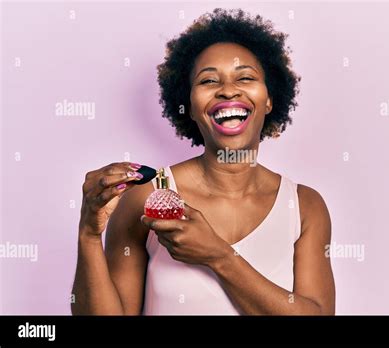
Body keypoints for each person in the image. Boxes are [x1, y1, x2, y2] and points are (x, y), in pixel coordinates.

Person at [71, 8, 335, 315]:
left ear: (269, 99)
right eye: (208, 81)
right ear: (191, 107)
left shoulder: (304, 206)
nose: (227, 90)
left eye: (246, 77)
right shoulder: (145, 197)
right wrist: (89, 235)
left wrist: (218, 256)